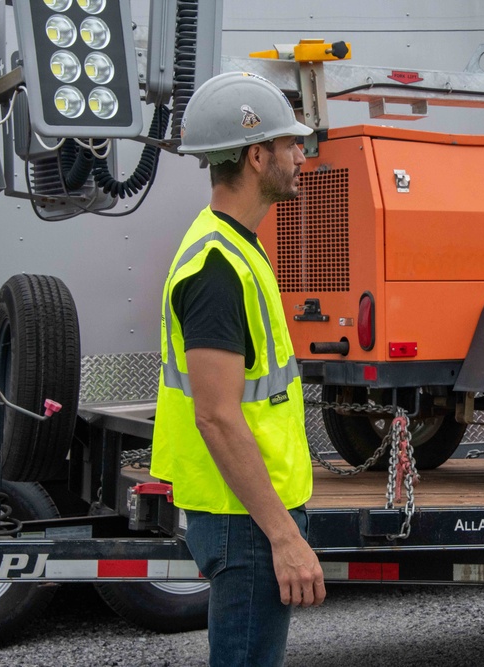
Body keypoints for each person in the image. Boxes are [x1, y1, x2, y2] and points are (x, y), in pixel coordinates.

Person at [150, 71, 325, 667]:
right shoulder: (217, 268)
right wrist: (282, 535)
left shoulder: (236, 247)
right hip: (245, 519)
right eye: (290, 144)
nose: (301, 155)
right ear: (256, 155)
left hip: (246, 510)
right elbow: (218, 417)